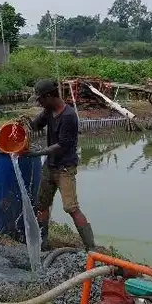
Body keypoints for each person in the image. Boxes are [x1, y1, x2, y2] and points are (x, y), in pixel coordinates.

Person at [23, 79, 96, 251]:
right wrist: (25, 123)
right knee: (42, 204)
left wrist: (38, 152)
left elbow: (63, 145)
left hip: (64, 168)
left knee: (71, 208)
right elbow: (35, 126)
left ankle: (91, 249)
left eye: (40, 99)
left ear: (49, 96)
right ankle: (43, 243)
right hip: (50, 166)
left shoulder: (69, 116)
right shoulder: (48, 111)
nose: (39, 103)